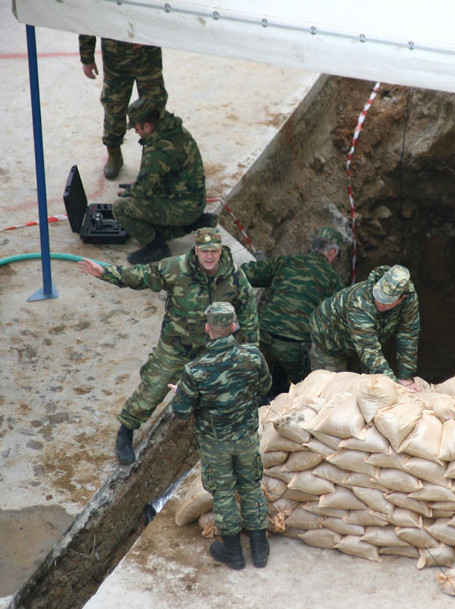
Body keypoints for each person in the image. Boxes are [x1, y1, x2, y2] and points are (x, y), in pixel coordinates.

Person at [77, 227, 259, 465]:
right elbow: (142, 275)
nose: (209, 256)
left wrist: (251, 349)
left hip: (211, 350)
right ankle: (126, 430)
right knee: (152, 389)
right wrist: (107, 273)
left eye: (213, 250)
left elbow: (248, 312)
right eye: (204, 251)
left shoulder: (234, 276)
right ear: (195, 250)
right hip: (175, 346)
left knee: (223, 394)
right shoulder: (176, 268)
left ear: (220, 250)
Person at [169, 302, 271, 570]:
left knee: (224, 493)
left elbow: (181, 412)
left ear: (207, 328)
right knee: (250, 486)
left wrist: (181, 392)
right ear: (234, 326)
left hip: (215, 444)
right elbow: (265, 386)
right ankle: (260, 551)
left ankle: (234, 554)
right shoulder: (253, 355)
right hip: (247, 437)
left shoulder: (195, 370)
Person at [240, 227, 345, 395]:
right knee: (306, 389)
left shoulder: (286, 261)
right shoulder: (334, 280)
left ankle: (267, 393)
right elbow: (337, 320)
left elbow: (246, 273)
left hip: (263, 335)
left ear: (313, 246)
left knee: (257, 376)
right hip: (295, 346)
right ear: (333, 251)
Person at [114, 97, 215, 265]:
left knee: (122, 208)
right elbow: (160, 174)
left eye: (137, 128)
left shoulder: (158, 150)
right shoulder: (173, 131)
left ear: (147, 126)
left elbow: (142, 191)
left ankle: (156, 247)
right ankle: (195, 222)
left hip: (184, 206)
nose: (136, 132)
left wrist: (130, 192)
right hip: (191, 198)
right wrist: (138, 185)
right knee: (141, 206)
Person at [308, 264, 423, 392]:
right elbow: (368, 349)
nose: (380, 303)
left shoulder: (409, 299)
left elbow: (408, 334)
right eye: (378, 296)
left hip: (363, 343)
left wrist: (406, 377)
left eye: (386, 301)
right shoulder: (359, 303)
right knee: (330, 390)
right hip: (329, 339)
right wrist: (393, 384)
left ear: (401, 298)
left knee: (369, 389)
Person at [79, 36, 168, 179]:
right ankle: (113, 152)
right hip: (115, 55)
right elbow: (90, 17)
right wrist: (87, 57)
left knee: (154, 107)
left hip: (147, 53)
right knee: (114, 106)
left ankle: (155, 157)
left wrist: (148, 32)